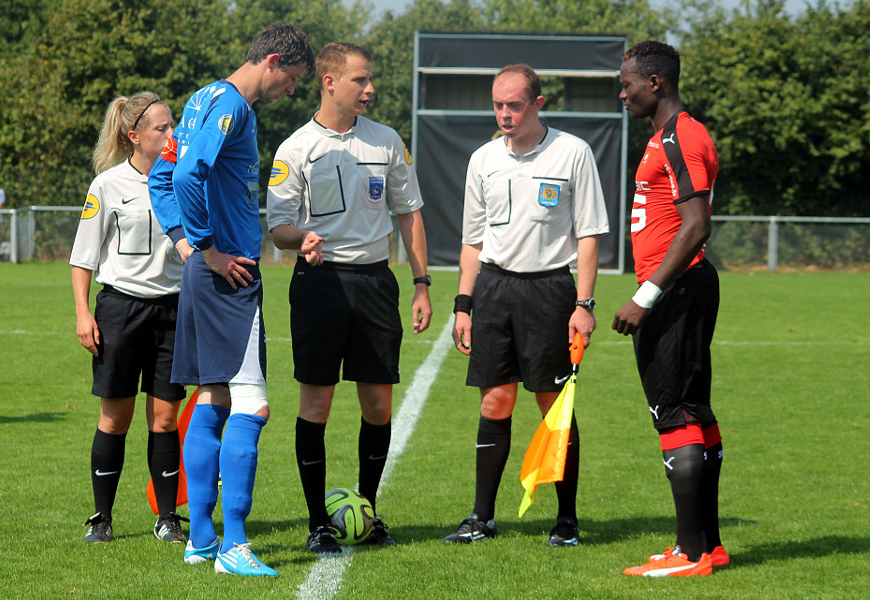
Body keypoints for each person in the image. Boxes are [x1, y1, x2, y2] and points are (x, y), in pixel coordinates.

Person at [148, 23, 313, 577]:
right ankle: (234, 546)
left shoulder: (201, 98)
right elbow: (189, 174)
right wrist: (210, 250)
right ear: (271, 61)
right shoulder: (231, 107)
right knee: (253, 404)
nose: (291, 90)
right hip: (230, 276)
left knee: (214, 398)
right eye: (290, 79)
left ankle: (199, 540)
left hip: (210, 272)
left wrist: (185, 244)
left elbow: (161, 178)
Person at [266, 41, 432, 554]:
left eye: (370, 79)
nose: (370, 88)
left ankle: (368, 511)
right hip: (319, 286)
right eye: (360, 79)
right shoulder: (295, 149)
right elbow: (278, 228)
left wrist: (421, 283)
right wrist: (303, 239)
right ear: (329, 82)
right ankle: (318, 522)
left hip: (376, 283)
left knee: (379, 403)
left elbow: (409, 212)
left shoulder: (386, 141)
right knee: (317, 402)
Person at [443, 64, 609, 546]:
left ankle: (567, 520)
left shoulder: (573, 152)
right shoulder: (482, 159)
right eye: (498, 104)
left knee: (552, 406)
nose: (505, 113)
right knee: (496, 401)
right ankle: (481, 518)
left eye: (514, 104)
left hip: (551, 292)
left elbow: (589, 235)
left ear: (538, 103)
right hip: (494, 290)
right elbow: (472, 240)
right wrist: (462, 305)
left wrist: (584, 303)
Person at [612, 40, 725, 577]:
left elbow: (697, 227)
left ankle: (689, 553)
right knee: (695, 409)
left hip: (676, 291)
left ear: (654, 82)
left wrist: (645, 295)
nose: (622, 92)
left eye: (627, 83)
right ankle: (709, 545)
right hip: (679, 287)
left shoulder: (683, 135)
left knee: (675, 412)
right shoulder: (664, 137)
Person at [69, 91, 191, 545]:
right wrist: (84, 313)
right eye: (161, 128)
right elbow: (83, 258)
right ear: (133, 135)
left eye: (172, 125)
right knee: (114, 418)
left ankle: (168, 518)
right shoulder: (107, 185)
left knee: (164, 418)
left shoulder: (183, 181)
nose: (171, 134)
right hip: (120, 310)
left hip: (174, 310)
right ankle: (102, 518)